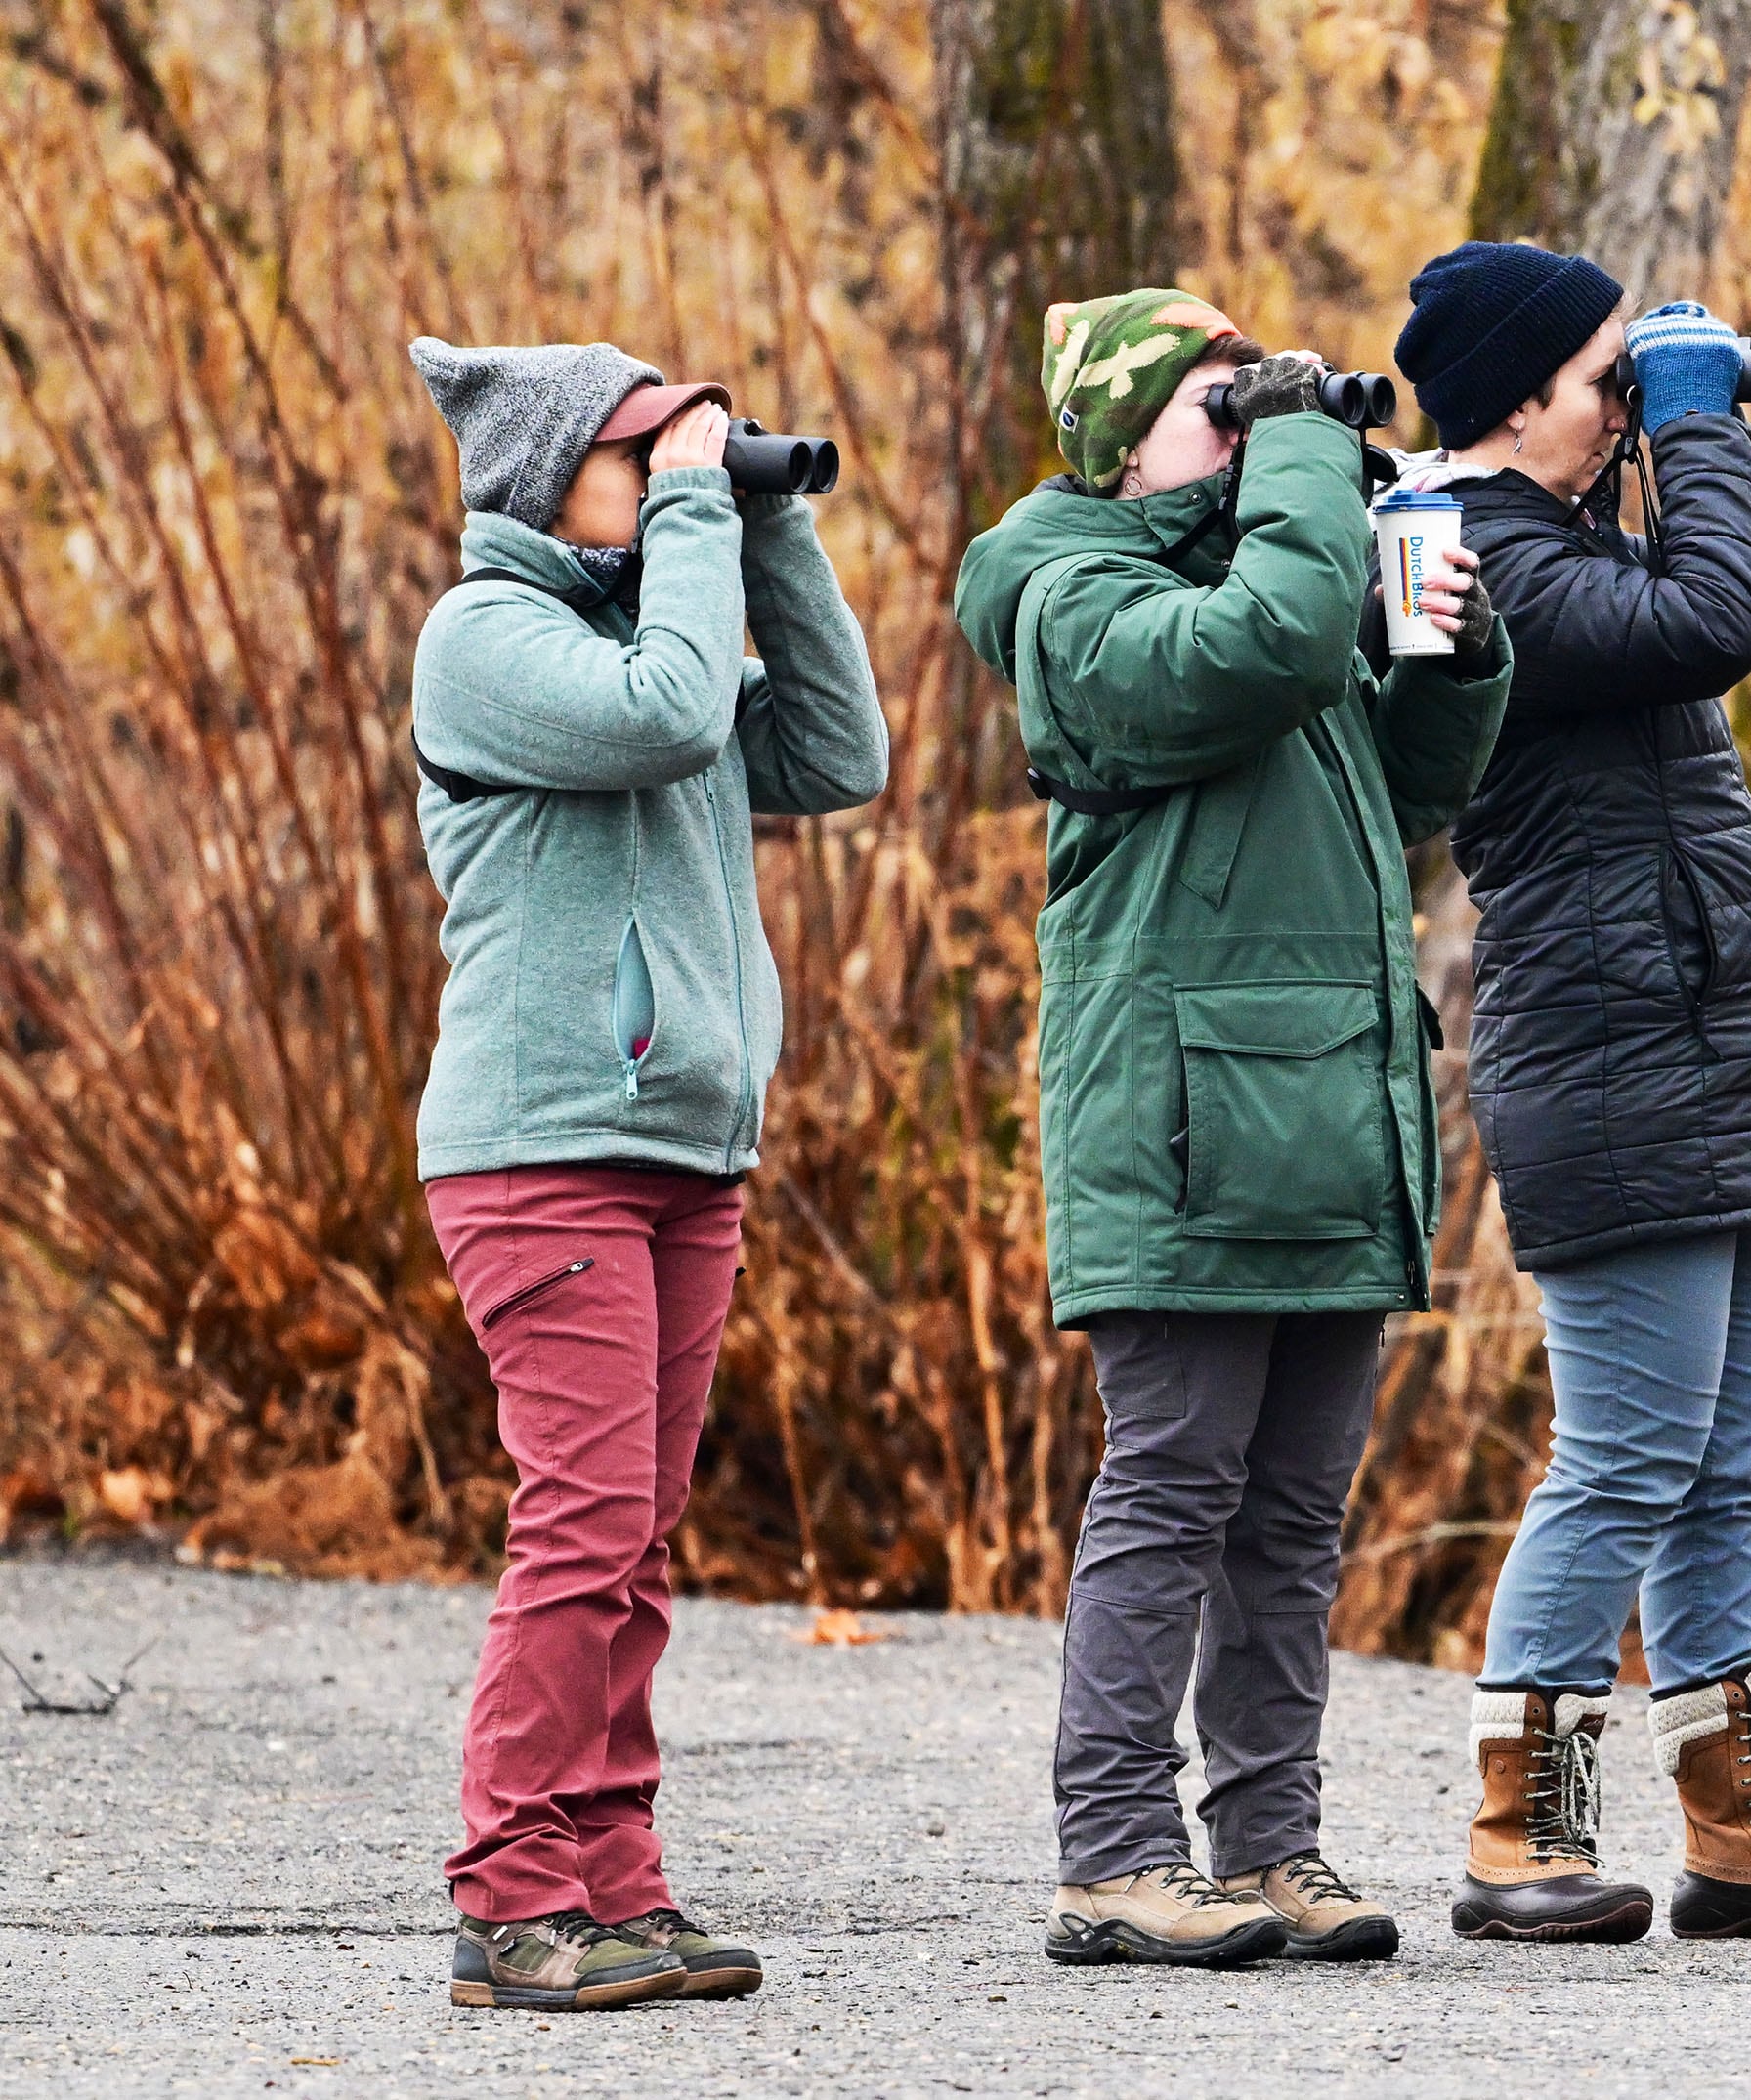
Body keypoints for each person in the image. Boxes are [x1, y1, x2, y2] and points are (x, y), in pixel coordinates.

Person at [954, 289, 1511, 1968]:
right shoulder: (1074, 592)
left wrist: (1451, 650)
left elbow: (1406, 794)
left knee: (1290, 1511)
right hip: (1182, 1122)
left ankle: (1268, 1840)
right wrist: (1306, 475)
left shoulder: (1268, 569)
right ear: (1123, 440)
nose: (1262, 434)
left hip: (1328, 1104)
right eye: (1222, 407)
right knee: (1174, 1485)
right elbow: (1260, 652)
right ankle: (1114, 1852)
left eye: (1262, 408)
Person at [1389, 244, 1751, 1944]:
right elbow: (1711, 618)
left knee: (1731, 1460)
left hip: (1706, 1051)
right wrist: (1697, 417)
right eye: (1612, 378)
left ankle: (1742, 1836)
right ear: (1519, 398)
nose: (1634, 402)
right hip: (1609, 1063)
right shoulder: (1471, 558)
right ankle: (1514, 1829)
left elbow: (1746, 601)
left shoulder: (1566, 541)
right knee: (1624, 1458)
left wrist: (1693, 437)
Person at [406, 336, 889, 2009]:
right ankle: (510, 1891)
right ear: (552, 481)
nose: (679, 474)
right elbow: (672, 706)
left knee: (641, 1537)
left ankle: (612, 1874)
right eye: (645, 453)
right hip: (545, 1150)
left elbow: (835, 750)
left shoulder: (653, 629)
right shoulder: (488, 642)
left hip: (685, 1151)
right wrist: (698, 511)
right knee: (583, 1524)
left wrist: (771, 531)